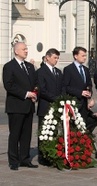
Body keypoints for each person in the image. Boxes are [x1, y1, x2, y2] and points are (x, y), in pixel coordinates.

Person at [3, 42, 38, 170]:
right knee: (15, 134)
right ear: (16, 51)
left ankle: (25, 159)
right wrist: (26, 94)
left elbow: (35, 83)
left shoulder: (29, 66)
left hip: (29, 106)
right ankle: (13, 161)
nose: (26, 51)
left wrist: (35, 94)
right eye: (24, 49)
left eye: (27, 49)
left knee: (26, 134)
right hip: (16, 106)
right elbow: (9, 85)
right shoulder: (9, 66)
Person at [36, 48, 63, 165]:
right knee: (44, 132)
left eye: (57, 58)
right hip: (45, 106)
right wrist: (56, 98)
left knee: (54, 132)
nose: (56, 60)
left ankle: (53, 154)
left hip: (56, 107)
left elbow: (62, 87)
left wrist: (62, 99)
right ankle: (43, 156)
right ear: (47, 57)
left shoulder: (58, 72)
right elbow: (42, 90)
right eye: (54, 58)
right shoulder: (40, 72)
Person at [63, 46, 94, 131]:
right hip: (74, 103)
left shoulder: (86, 69)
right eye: (83, 55)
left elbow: (89, 84)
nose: (85, 58)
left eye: (85, 56)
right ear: (76, 56)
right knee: (74, 129)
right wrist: (80, 92)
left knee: (83, 127)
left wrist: (90, 95)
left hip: (84, 104)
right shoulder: (68, 69)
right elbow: (66, 87)